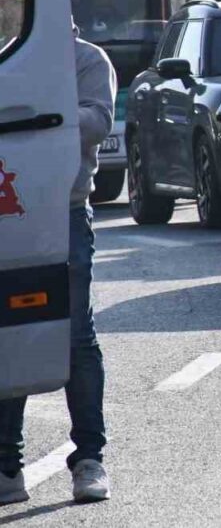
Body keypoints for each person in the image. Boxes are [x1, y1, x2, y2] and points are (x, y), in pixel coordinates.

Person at [0, 26, 115, 506]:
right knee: (11, 332)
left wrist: (34, 113)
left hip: (62, 211)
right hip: (9, 211)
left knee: (73, 337)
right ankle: (7, 467)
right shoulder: (5, 61)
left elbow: (96, 121)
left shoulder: (86, 60)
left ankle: (89, 458)